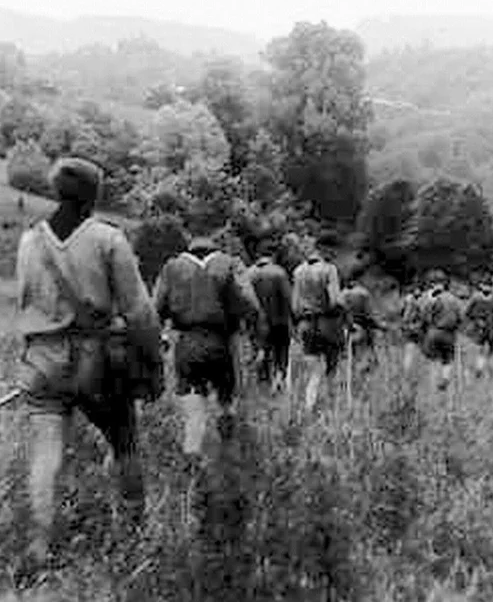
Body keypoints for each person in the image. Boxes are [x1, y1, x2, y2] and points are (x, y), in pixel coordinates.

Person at [15, 157, 163, 567]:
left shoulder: (29, 241)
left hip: (41, 361)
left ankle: (41, 546)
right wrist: (152, 363)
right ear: (93, 196)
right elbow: (140, 313)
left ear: (56, 191)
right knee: (124, 442)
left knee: (47, 453)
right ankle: (134, 537)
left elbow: (22, 304)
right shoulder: (108, 238)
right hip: (94, 361)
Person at [152, 229, 263, 469]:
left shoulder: (172, 267)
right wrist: (253, 334)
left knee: (194, 412)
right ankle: (227, 456)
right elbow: (250, 303)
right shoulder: (229, 264)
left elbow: (156, 308)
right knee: (226, 399)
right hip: (221, 343)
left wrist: (160, 334)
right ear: (213, 248)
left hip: (188, 343)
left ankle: (192, 456)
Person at [291, 233, 344, 412]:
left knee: (313, 372)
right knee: (331, 370)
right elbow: (335, 301)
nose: (335, 255)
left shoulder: (298, 271)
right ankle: (332, 409)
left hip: (306, 326)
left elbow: (295, 306)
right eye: (334, 251)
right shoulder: (329, 269)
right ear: (326, 249)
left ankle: (309, 408)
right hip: (327, 325)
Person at [246, 240, 294, 392]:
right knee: (280, 354)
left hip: (256, 323)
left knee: (260, 350)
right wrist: (293, 320)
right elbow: (288, 298)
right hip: (278, 322)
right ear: (274, 254)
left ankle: (263, 384)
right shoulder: (279, 272)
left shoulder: (249, 273)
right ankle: (278, 382)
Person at [419, 269, 464, 391]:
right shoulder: (453, 299)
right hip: (449, 334)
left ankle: (432, 385)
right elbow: (460, 317)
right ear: (445, 283)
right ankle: (444, 380)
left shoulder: (429, 298)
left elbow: (423, 316)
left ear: (431, 284)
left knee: (433, 360)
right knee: (447, 360)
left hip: (433, 332)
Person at [341, 272, 386, 376]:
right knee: (367, 360)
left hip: (344, 331)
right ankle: (362, 380)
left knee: (348, 361)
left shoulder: (341, 294)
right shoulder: (363, 293)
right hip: (361, 330)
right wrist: (380, 326)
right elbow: (369, 315)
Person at [464, 279, 493, 378]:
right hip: (478, 328)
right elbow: (467, 313)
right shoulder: (476, 298)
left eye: (489, 286)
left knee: (490, 350)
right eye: (485, 285)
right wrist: (476, 320)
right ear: (481, 286)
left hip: (492, 328)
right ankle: (478, 369)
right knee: (479, 349)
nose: (487, 288)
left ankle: (484, 370)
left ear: (492, 287)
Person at [400, 281, 426, 372]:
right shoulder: (416, 301)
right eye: (419, 290)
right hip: (414, 328)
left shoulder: (406, 299)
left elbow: (402, 313)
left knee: (409, 351)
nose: (420, 292)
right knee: (416, 350)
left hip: (408, 327)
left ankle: (408, 370)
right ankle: (414, 370)